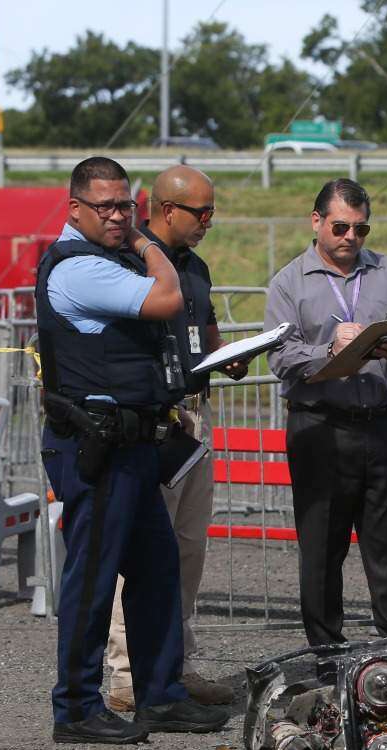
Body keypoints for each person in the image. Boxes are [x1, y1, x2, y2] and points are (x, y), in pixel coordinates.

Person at [37, 156, 229, 743]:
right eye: (107, 207)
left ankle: (161, 696)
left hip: (134, 445)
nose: (119, 216)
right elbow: (168, 297)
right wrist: (148, 242)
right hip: (97, 446)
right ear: (75, 209)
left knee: (156, 571)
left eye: (126, 205)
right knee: (93, 579)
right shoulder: (79, 268)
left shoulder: (104, 260)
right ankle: (76, 707)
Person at [264, 178, 387, 660]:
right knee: (322, 547)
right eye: (340, 227)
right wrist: (329, 350)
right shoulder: (289, 282)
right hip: (319, 424)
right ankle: (327, 652)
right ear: (316, 221)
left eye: (361, 229)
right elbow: (280, 356)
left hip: (380, 421)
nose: (351, 237)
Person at [102, 165, 241, 713]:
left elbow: (205, 333)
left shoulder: (196, 267)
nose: (208, 222)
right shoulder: (129, 262)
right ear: (166, 209)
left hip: (194, 415)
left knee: (187, 549)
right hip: (154, 420)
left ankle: (173, 667)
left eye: (213, 213)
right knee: (139, 552)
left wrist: (228, 355)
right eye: (200, 213)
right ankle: (125, 674)